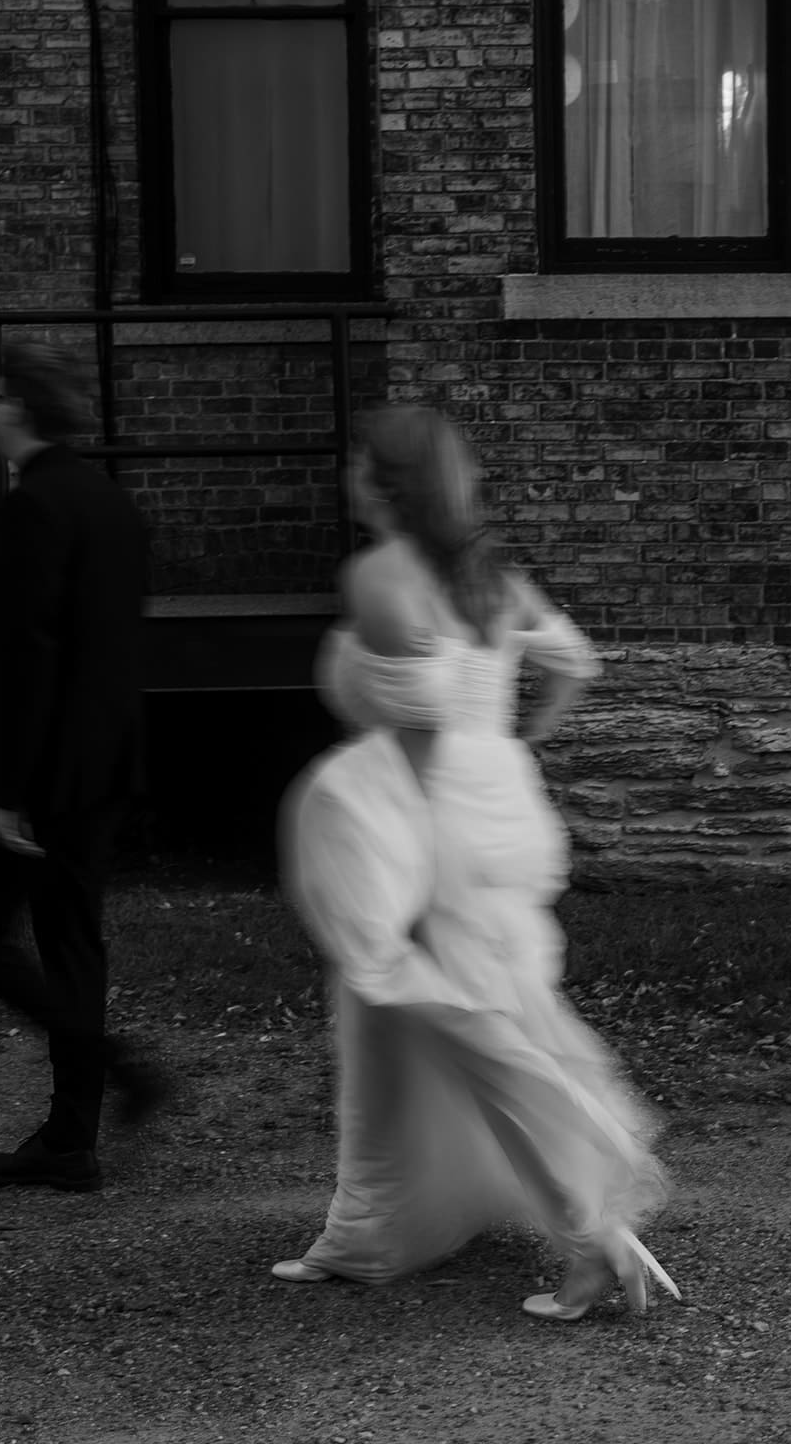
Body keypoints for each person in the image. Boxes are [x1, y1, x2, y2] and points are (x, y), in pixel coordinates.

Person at [274, 405, 679, 1321]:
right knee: (387, 1027)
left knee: (478, 1035)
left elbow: (416, 730)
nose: (346, 475)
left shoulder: (380, 574)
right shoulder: (490, 575)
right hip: (499, 802)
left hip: (428, 820)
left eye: (354, 463)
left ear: (380, 482)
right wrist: (513, 735)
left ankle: (593, 1244)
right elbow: (574, 664)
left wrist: (402, 867)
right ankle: (365, 1231)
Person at [0, 338, 165, 1193]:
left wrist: (6, 791)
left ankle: (119, 1068)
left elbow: (23, 661)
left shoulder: (34, 508)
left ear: (20, 410)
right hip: (102, 763)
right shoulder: (110, 503)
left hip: (41, 777)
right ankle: (71, 1138)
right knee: (72, 943)